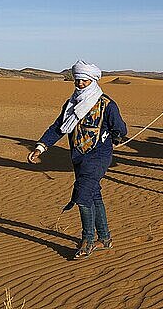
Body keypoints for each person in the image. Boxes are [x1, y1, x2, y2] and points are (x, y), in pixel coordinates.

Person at [27, 60, 127, 259]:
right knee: (93, 195)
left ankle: (87, 239)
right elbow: (58, 127)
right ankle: (105, 238)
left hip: (98, 156)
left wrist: (113, 137)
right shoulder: (72, 102)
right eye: (77, 80)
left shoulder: (106, 104)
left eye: (84, 81)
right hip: (78, 157)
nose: (80, 83)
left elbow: (121, 129)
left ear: (92, 80)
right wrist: (40, 147)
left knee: (82, 196)